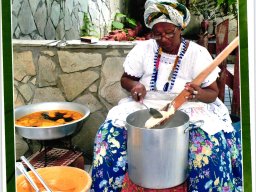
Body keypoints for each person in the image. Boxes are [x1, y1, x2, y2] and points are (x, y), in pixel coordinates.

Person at [90, 0, 242, 191]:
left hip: (190, 106)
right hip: (146, 105)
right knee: (108, 135)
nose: (163, 39)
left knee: (210, 147)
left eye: (169, 32)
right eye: (157, 34)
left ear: (180, 29)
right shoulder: (143, 49)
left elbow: (213, 94)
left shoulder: (197, 53)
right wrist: (135, 85)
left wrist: (198, 93)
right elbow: (125, 79)